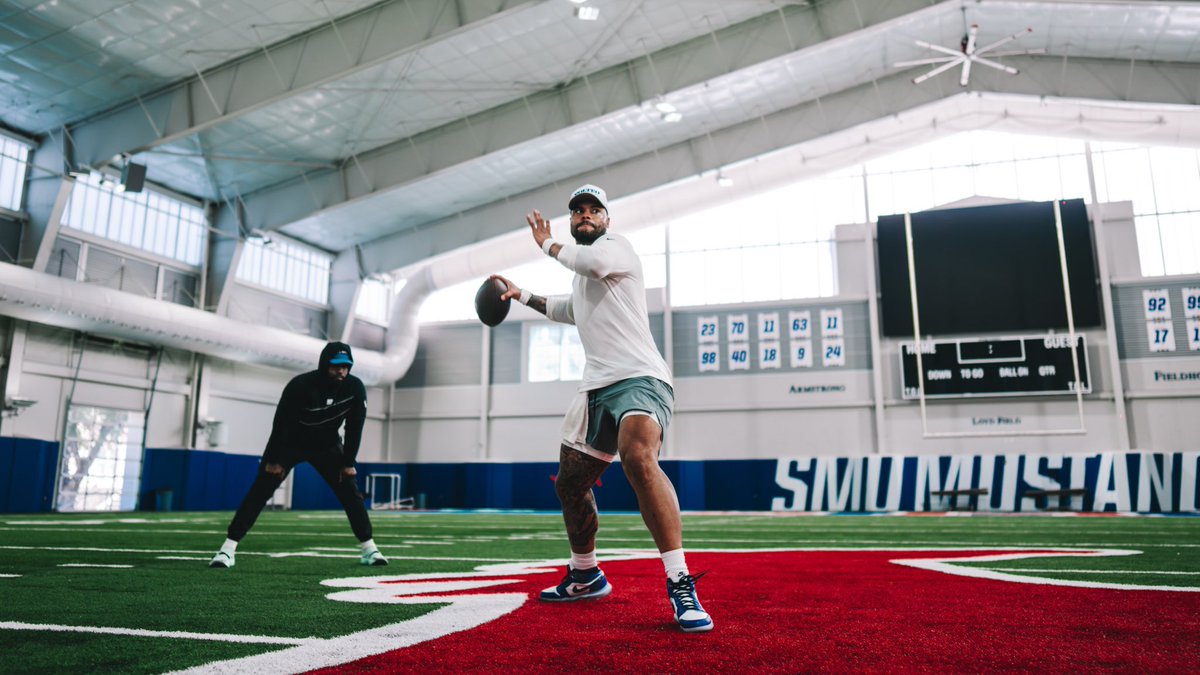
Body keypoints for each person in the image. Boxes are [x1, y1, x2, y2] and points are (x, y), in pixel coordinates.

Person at [491, 184, 713, 633]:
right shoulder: (584, 277)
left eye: (594, 210)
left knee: (637, 457)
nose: (585, 215)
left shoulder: (615, 249)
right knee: (570, 485)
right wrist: (520, 295)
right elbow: (567, 309)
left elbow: (588, 261)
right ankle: (586, 574)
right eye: (578, 211)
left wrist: (546, 244)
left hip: (640, 378)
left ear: (607, 220)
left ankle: (680, 581)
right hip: (596, 387)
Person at [209, 341, 387, 568]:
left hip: (327, 445)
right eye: (335, 366)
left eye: (345, 366)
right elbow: (280, 425)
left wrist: (348, 462)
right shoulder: (300, 386)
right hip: (291, 443)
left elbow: (354, 428)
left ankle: (369, 549)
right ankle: (227, 549)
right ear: (325, 365)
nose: (341, 371)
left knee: (350, 492)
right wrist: (273, 460)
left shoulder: (354, 388)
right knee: (260, 490)